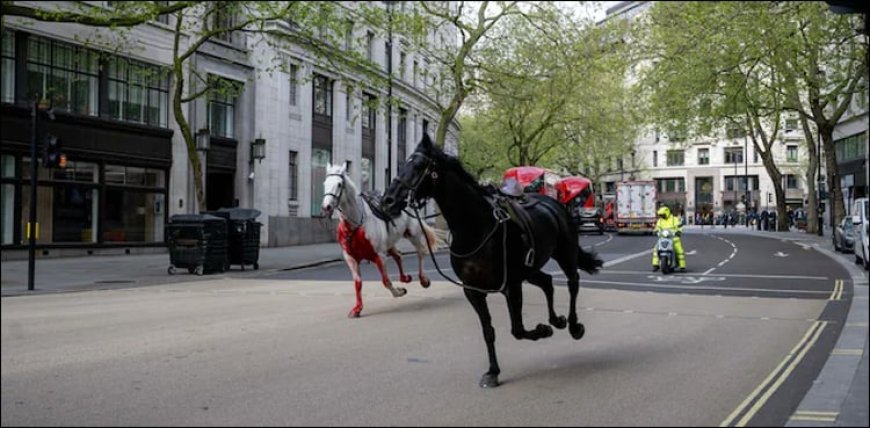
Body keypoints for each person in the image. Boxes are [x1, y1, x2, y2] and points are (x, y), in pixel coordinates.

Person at [652, 206, 687, 273]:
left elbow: (679, 227)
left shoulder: (675, 219)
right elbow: (657, 228)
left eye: (663, 214)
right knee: (656, 249)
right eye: (661, 215)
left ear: (667, 213)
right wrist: (655, 231)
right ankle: (655, 265)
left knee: (680, 251)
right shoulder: (660, 220)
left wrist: (679, 231)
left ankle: (682, 266)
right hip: (663, 238)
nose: (662, 216)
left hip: (674, 239)